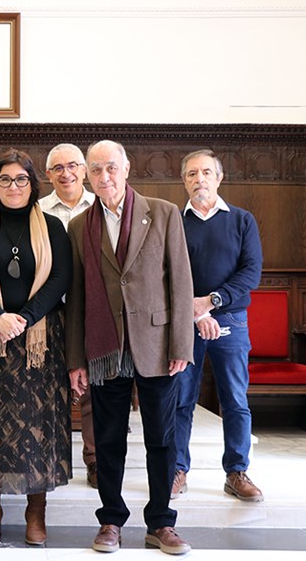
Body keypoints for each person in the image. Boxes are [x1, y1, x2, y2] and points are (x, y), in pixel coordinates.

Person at [66, 140, 194, 556]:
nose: (104, 177)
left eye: (111, 168)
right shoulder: (79, 226)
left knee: (162, 438)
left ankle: (161, 522)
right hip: (105, 347)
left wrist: (182, 344)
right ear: (87, 175)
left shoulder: (163, 213)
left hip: (156, 344)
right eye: (95, 170)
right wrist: (76, 359)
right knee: (107, 440)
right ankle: (111, 520)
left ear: (126, 169)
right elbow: (77, 296)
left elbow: (181, 281)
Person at [0, 149, 73, 547]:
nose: (13, 186)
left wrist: (24, 317)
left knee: (38, 426)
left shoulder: (53, 226)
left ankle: (36, 510)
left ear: (32, 184)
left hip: (41, 341)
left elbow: (60, 277)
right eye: (4, 179)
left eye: (21, 179)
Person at [173, 149, 264, 503]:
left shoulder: (242, 220)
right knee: (181, 399)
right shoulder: (173, 222)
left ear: (219, 177)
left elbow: (251, 272)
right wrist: (196, 312)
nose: (199, 179)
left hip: (231, 321)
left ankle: (237, 471)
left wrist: (212, 302)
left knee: (235, 400)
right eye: (192, 174)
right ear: (184, 181)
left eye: (206, 172)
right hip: (184, 322)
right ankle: (176, 470)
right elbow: (165, 273)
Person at [39, 143, 98, 488]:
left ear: (84, 170)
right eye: (58, 168)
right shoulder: (37, 210)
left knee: (91, 387)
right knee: (48, 388)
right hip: (49, 311)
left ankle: (94, 459)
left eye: (73, 166)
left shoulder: (100, 206)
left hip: (91, 311)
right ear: (48, 174)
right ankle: (46, 457)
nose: (66, 173)